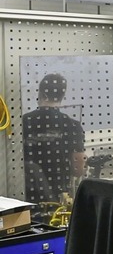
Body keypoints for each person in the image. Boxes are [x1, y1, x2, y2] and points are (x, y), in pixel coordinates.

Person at [22, 73, 86, 204]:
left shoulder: (24, 121)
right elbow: (78, 167)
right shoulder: (72, 125)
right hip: (59, 196)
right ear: (62, 96)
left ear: (40, 93)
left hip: (25, 194)